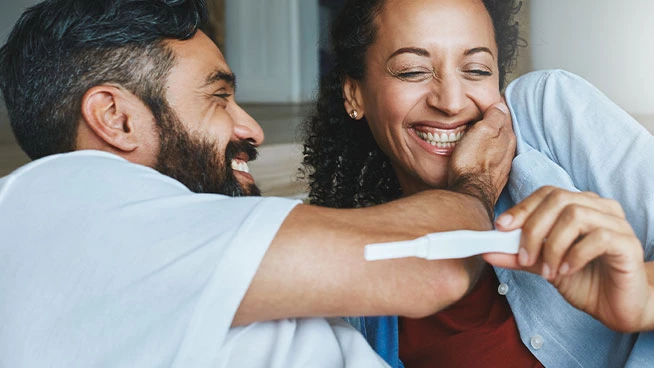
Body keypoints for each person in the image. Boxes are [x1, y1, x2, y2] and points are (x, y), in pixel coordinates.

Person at [0, 0, 523, 367]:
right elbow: (430, 267)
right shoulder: (65, 202)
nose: (250, 127)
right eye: (218, 97)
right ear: (115, 116)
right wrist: (473, 183)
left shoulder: (152, 238)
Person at [301, 0, 654, 366]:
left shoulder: (545, 112)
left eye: (475, 69)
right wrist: (474, 186)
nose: (452, 102)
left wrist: (642, 298)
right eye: (412, 71)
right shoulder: (359, 280)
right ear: (354, 94)